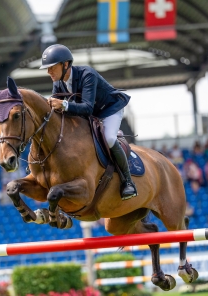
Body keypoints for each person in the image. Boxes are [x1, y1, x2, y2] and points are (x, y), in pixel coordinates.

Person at [40, 44, 137, 200]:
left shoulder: (87, 74)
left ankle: (128, 181)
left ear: (65, 65)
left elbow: (87, 108)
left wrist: (64, 104)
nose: (48, 71)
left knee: (109, 138)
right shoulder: (58, 82)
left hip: (109, 109)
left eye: (51, 67)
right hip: (90, 115)